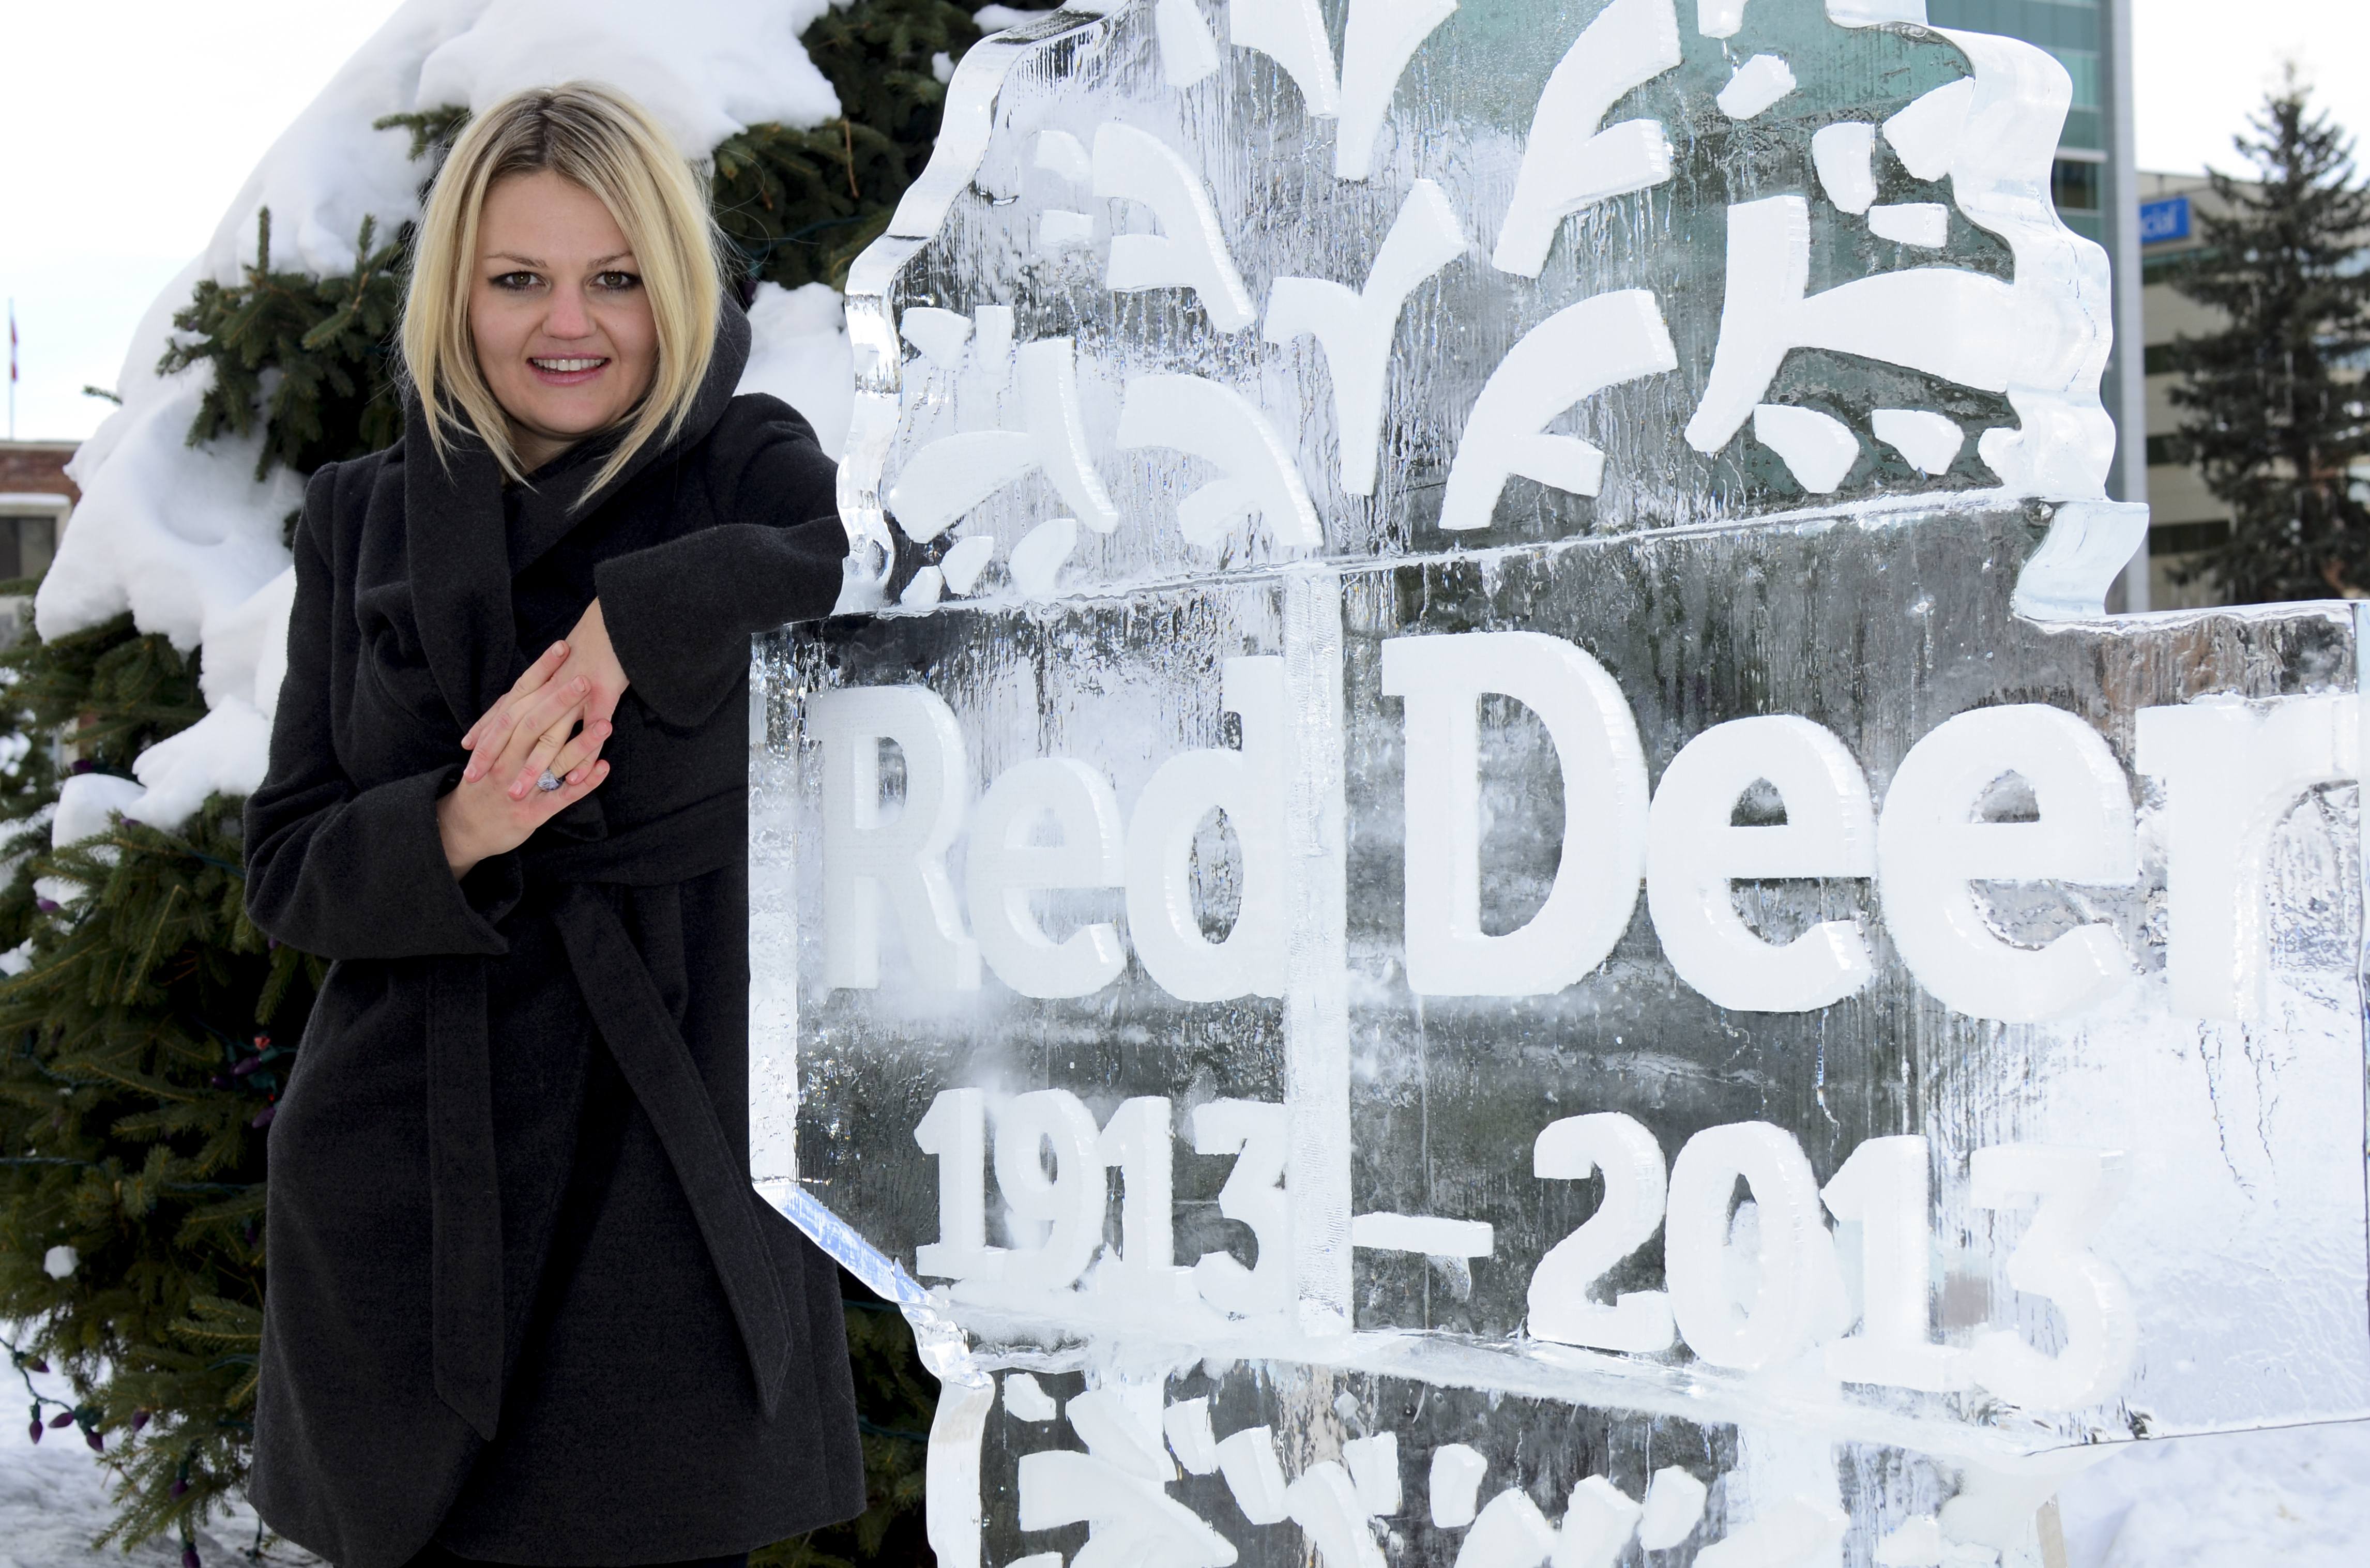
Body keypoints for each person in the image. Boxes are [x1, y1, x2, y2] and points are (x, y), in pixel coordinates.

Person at [242, 82, 861, 1568]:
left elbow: (873, 567)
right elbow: (288, 864)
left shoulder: (744, 465)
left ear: (673, 284)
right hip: (409, 1177)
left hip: (664, 1167)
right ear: (460, 293)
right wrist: (456, 824)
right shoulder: (364, 516)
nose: (565, 322)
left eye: (615, 277)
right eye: (518, 278)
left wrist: (626, 629)